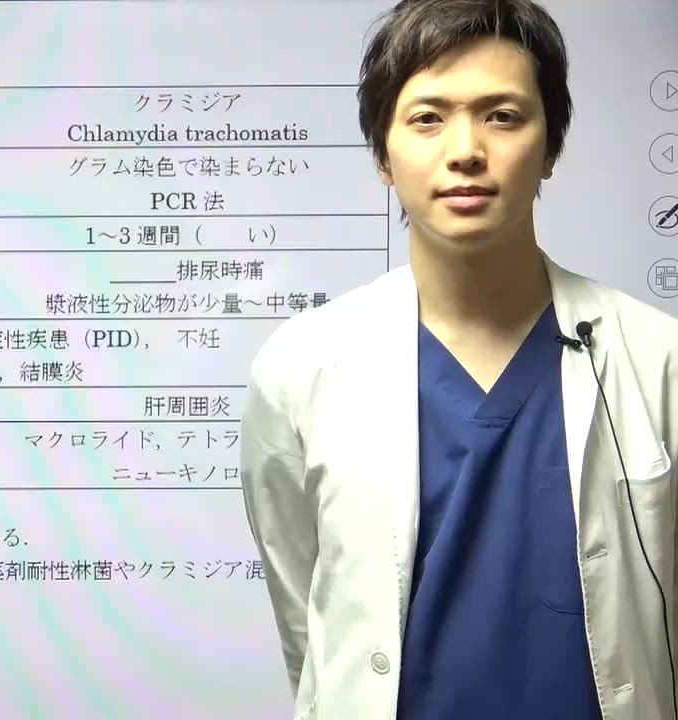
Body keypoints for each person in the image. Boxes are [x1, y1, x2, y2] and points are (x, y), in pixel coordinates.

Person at [239, 0, 678, 718]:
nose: (466, 149)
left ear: (551, 147)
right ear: (383, 155)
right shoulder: (303, 366)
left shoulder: (659, 358)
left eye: (502, 116)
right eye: (428, 118)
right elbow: (310, 621)